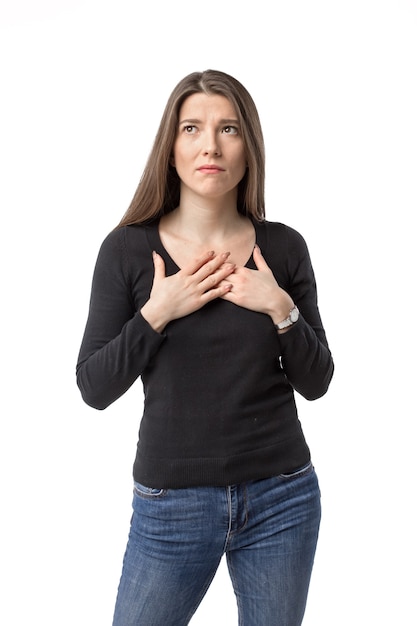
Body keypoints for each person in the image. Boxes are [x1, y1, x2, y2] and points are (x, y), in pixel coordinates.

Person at [76, 69, 334, 626]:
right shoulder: (127, 251)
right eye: (191, 128)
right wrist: (158, 311)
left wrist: (278, 306)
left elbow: (317, 382)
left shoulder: (283, 249)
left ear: (249, 148)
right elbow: (94, 387)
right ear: (171, 147)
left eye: (229, 129)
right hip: (171, 506)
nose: (210, 145)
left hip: (282, 498)